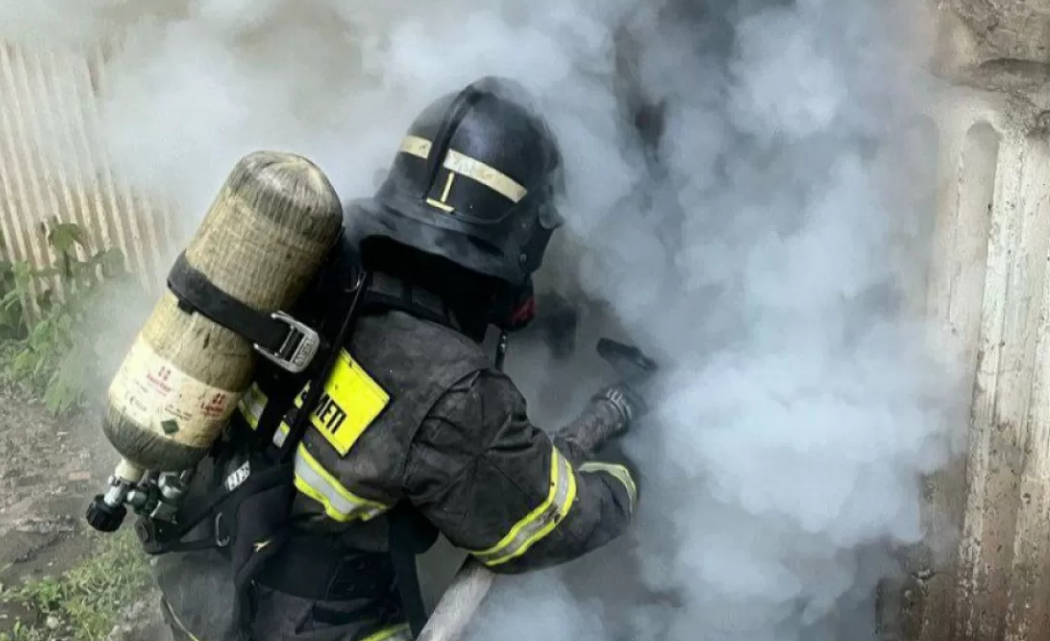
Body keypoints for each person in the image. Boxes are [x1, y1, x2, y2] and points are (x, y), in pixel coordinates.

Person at [148, 76, 647, 641]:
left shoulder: (318, 272)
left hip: (199, 588)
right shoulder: (452, 390)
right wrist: (628, 465)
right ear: (526, 237)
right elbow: (550, 524)